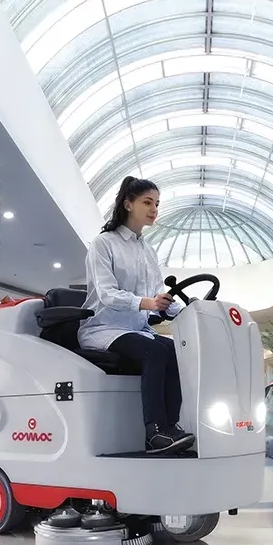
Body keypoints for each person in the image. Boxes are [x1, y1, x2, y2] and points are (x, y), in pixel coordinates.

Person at [78, 176, 195, 455]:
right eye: (147, 202)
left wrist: (188, 311)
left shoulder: (147, 249)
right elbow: (107, 294)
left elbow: (157, 291)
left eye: (156, 203)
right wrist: (147, 303)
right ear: (128, 203)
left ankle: (170, 426)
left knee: (176, 350)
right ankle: (154, 431)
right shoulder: (103, 243)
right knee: (155, 352)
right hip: (104, 328)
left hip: (136, 329)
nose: (154, 209)